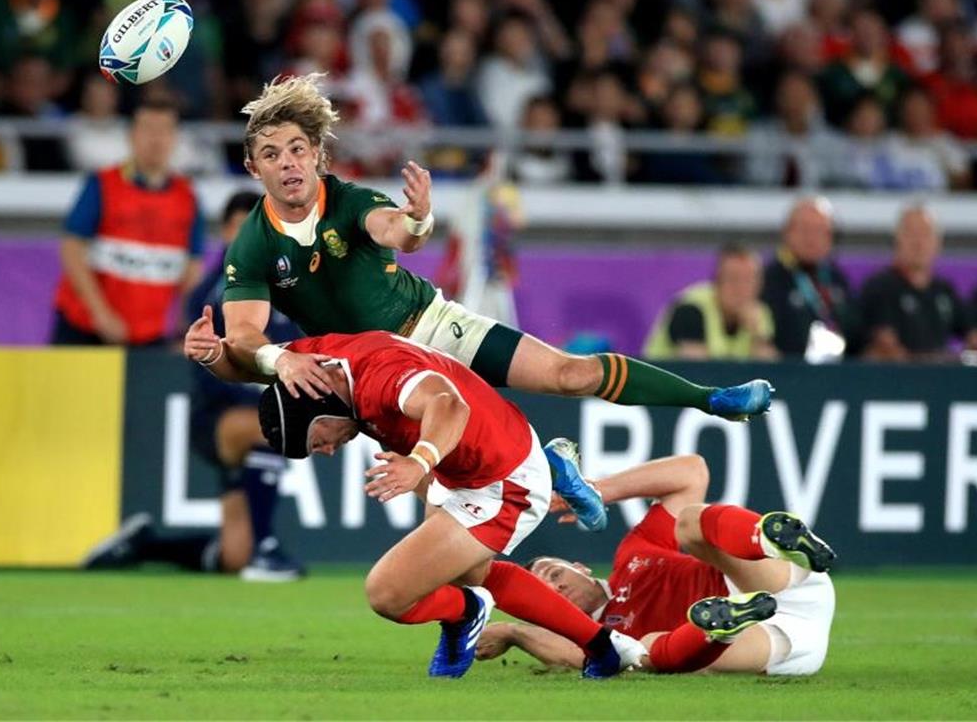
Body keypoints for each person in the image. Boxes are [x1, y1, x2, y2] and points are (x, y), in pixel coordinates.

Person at [183, 74, 771, 425]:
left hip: (433, 327)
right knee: (447, 489)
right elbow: (245, 341)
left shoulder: (349, 198)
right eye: (271, 153)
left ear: (317, 154)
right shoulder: (253, 242)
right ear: (251, 166)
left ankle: (710, 399)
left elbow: (398, 233)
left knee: (568, 374)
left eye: (296, 149)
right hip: (365, 371)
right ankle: (549, 478)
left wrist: (420, 217)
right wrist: (250, 357)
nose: (287, 162)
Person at [252, 330, 648, 679]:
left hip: (501, 477)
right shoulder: (313, 360)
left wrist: (418, 462)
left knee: (387, 593)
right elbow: (245, 354)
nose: (326, 451)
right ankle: (604, 646)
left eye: (316, 440)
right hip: (465, 464)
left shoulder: (380, 379)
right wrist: (215, 354)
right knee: (475, 572)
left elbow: (449, 404)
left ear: (319, 406)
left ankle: (466, 611)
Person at [82, 193, 304, 580]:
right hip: (217, 417)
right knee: (269, 429)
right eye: (238, 227)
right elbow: (209, 371)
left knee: (234, 555)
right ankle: (267, 550)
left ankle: (146, 543)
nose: (247, 236)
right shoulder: (216, 291)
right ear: (226, 232)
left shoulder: (289, 283)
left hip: (253, 413)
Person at [475, 453, 836, 676]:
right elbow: (576, 657)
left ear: (580, 566)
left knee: (690, 523)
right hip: (782, 643)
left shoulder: (634, 551)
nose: (555, 588)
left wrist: (597, 491)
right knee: (644, 653)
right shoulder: (591, 638)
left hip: (765, 578)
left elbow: (692, 472)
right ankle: (720, 626)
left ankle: (766, 538)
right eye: (545, 593)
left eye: (554, 574)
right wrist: (514, 632)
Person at [52, 97, 205, 345]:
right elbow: (72, 249)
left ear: (175, 138)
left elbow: (192, 267)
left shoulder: (188, 197)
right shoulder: (103, 184)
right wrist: (101, 314)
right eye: (148, 129)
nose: (156, 139)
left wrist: (184, 325)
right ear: (131, 135)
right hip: (83, 327)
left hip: (148, 337)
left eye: (165, 130)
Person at [859, 205, 974, 362]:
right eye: (911, 233)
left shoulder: (944, 290)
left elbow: (976, 337)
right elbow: (888, 351)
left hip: (940, 380)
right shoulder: (879, 289)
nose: (918, 242)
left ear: (938, 243)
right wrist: (945, 362)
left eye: (925, 234)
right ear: (896, 239)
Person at [761, 197, 861, 359]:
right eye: (805, 229)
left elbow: (855, 334)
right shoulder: (767, 280)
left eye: (820, 231)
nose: (812, 238)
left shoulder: (837, 279)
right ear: (787, 232)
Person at [643, 245, 777, 361]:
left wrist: (758, 335)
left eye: (749, 280)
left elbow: (770, 372)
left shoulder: (760, 313)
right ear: (717, 281)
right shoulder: (690, 309)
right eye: (733, 279)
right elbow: (699, 372)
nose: (741, 288)